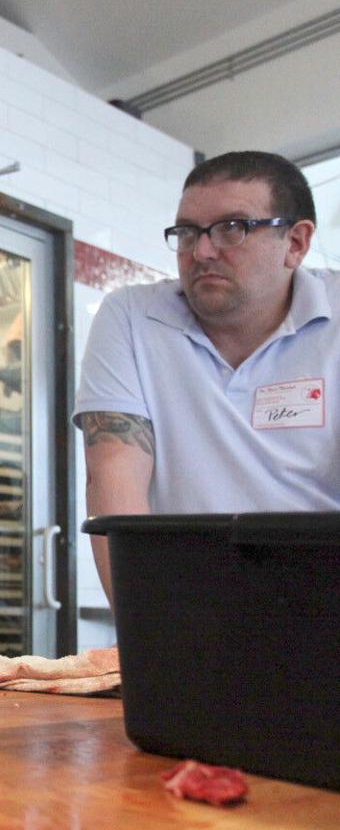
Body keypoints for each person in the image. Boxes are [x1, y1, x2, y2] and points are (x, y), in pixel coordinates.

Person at [75, 151, 338, 602]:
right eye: (186, 232)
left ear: (295, 242)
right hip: (185, 606)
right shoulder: (132, 318)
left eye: (233, 228)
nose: (201, 251)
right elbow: (114, 472)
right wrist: (148, 629)